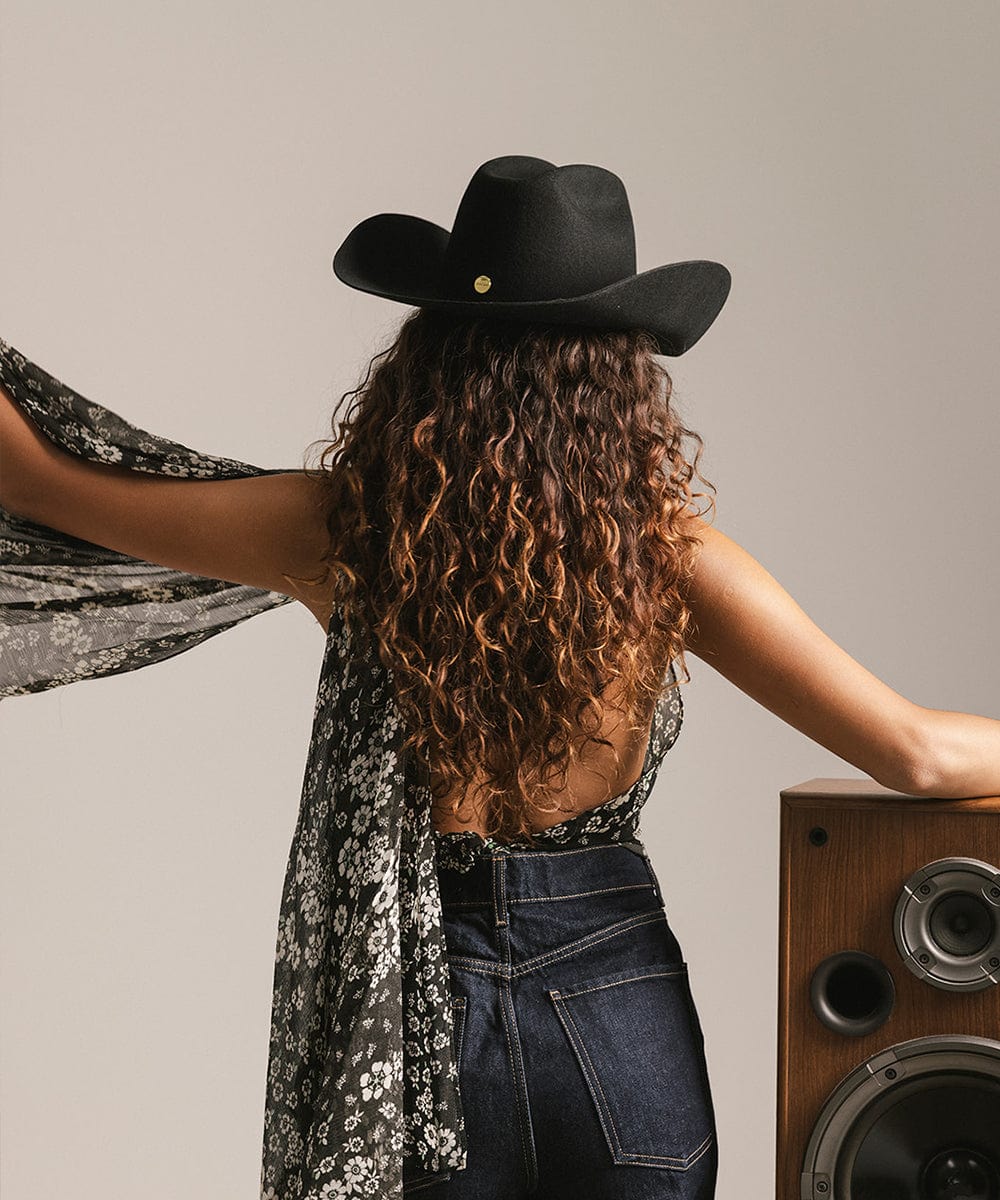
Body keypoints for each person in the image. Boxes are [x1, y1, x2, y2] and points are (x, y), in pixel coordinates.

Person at [2, 155, 999, 1200]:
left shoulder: (340, 530)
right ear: (623, 382)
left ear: (428, 358)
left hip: (412, 1005)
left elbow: (39, 481)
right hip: (614, 994)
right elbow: (915, 750)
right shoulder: (670, 563)